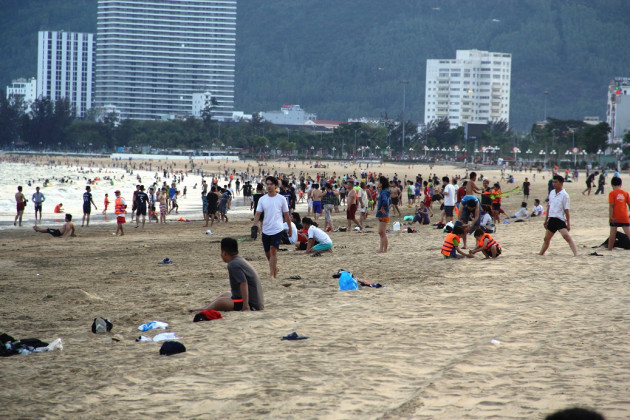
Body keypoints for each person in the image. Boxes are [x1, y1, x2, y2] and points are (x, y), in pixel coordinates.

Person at [188, 237, 264, 312]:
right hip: (255, 301)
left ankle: (203, 310)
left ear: (224, 253)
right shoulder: (240, 260)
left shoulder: (233, 264)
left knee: (221, 302)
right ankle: (204, 308)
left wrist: (245, 306)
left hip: (252, 304)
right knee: (226, 294)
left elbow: (243, 283)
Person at [253, 176, 292, 280]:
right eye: (267, 184)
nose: (269, 186)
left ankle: (271, 275)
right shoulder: (262, 199)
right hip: (266, 229)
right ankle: (274, 268)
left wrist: (290, 229)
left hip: (277, 229)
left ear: (275, 185)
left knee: (273, 249)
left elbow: (286, 215)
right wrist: (254, 226)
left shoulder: (281, 199)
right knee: (267, 253)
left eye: (271, 184)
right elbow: (257, 214)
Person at [539, 175, 578, 256]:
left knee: (567, 237)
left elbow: (566, 210)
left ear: (561, 183)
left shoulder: (565, 195)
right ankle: (540, 254)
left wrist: (568, 224)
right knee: (546, 239)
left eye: (556, 182)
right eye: (553, 182)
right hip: (551, 219)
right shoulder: (552, 193)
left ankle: (576, 254)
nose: (554, 184)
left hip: (559, 219)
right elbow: (549, 207)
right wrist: (545, 220)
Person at [607, 176, 630, 251]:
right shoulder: (625, 193)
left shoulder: (612, 193)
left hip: (615, 217)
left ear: (612, 185)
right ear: (621, 184)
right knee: (628, 232)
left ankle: (610, 249)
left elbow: (611, 206)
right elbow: (629, 204)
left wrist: (610, 217)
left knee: (612, 234)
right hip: (624, 216)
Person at [376, 176, 391, 253]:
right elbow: (389, 202)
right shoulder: (384, 191)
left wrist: (383, 207)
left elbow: (385, 201)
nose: (377, 183)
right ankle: (382, 249)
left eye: (379, 182)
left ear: (382, 184)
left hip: (383, 214)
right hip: (383, 214)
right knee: (381, 232)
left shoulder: (384, 192)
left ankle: (384, 249)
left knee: (382, 232)